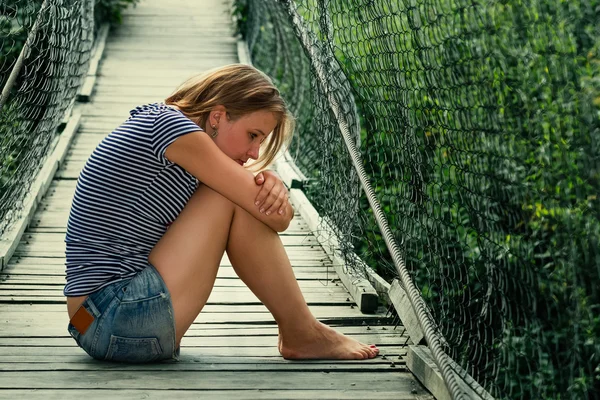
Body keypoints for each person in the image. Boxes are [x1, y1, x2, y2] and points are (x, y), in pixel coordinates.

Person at [64, 63, 379, 363]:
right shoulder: (173, 130)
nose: (255, 152)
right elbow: (279, 218)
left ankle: (302, 332)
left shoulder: (162, 125)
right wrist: (268, 185)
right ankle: (302, 332)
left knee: (233, 193)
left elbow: (267, 209)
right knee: (229, 197)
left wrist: (262, 182)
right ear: (217, 117)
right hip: (112, 319)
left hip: (91, 320)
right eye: (253, 135)